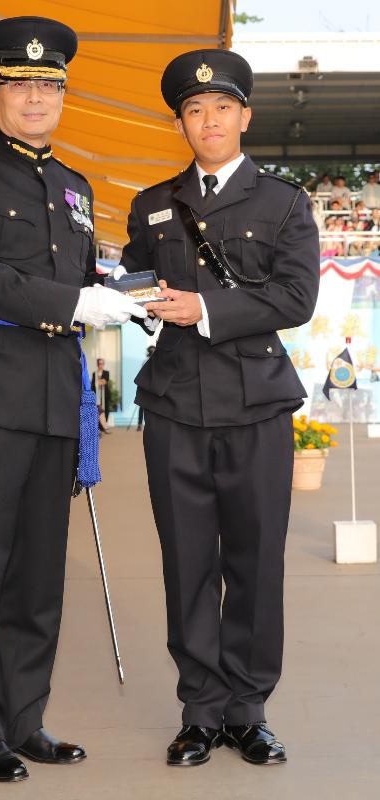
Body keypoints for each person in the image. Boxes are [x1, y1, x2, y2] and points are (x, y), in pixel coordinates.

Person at [0, 16, 145, 783]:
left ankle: (25, 719)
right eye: (19, 85)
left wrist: (116, 294)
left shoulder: (76, 187)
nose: (34, 98)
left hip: (56, 392)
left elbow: (78, 278)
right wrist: (75, 304)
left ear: (62, 96)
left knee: (39, 576)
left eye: (47, 86)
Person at [117, 49, 320, 767]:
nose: (208, 120)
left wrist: (201, 306)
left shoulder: (285, 203)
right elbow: (133, 283)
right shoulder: (150, 204)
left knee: (256, 563)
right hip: (173, 405)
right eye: (194, 110)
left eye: (221, 108)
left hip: (256, 405)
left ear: (244, 117)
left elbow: (295, 300)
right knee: (186, 564)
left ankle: (249, 709)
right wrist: (132, 299)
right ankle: (199, 711)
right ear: (181, 121)